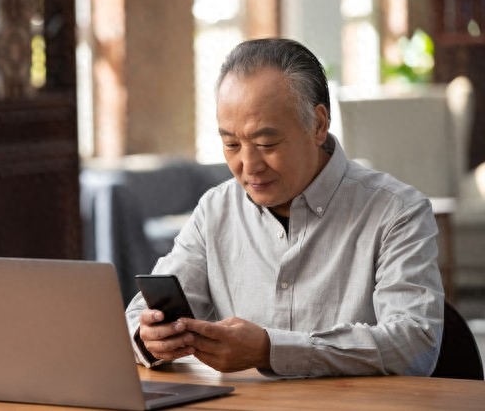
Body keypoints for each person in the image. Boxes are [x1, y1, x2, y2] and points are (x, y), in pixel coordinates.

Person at [125, 37, 444, 378]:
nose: (248, 166)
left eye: (266, 143)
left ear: (318, 125)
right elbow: (139, 316)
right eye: (231, 144)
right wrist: (150, 338)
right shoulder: (215, 210)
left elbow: (414, 342)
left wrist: (270, 349)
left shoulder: (397, 211)